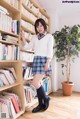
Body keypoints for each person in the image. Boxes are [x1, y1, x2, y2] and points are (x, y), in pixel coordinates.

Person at [21, 18, 53, 113]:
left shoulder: (49, 36)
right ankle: (40, 104)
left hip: (44, 60)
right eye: (37, 26)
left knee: (35, 83)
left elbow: (50, 51)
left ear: (44, 26)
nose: (39, 28)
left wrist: (48, 62)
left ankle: (46, 98)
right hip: (36, 60)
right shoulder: (35, 37)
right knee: (38, 83)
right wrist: (23, 37)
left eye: (41, 25)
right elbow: (28, 47)